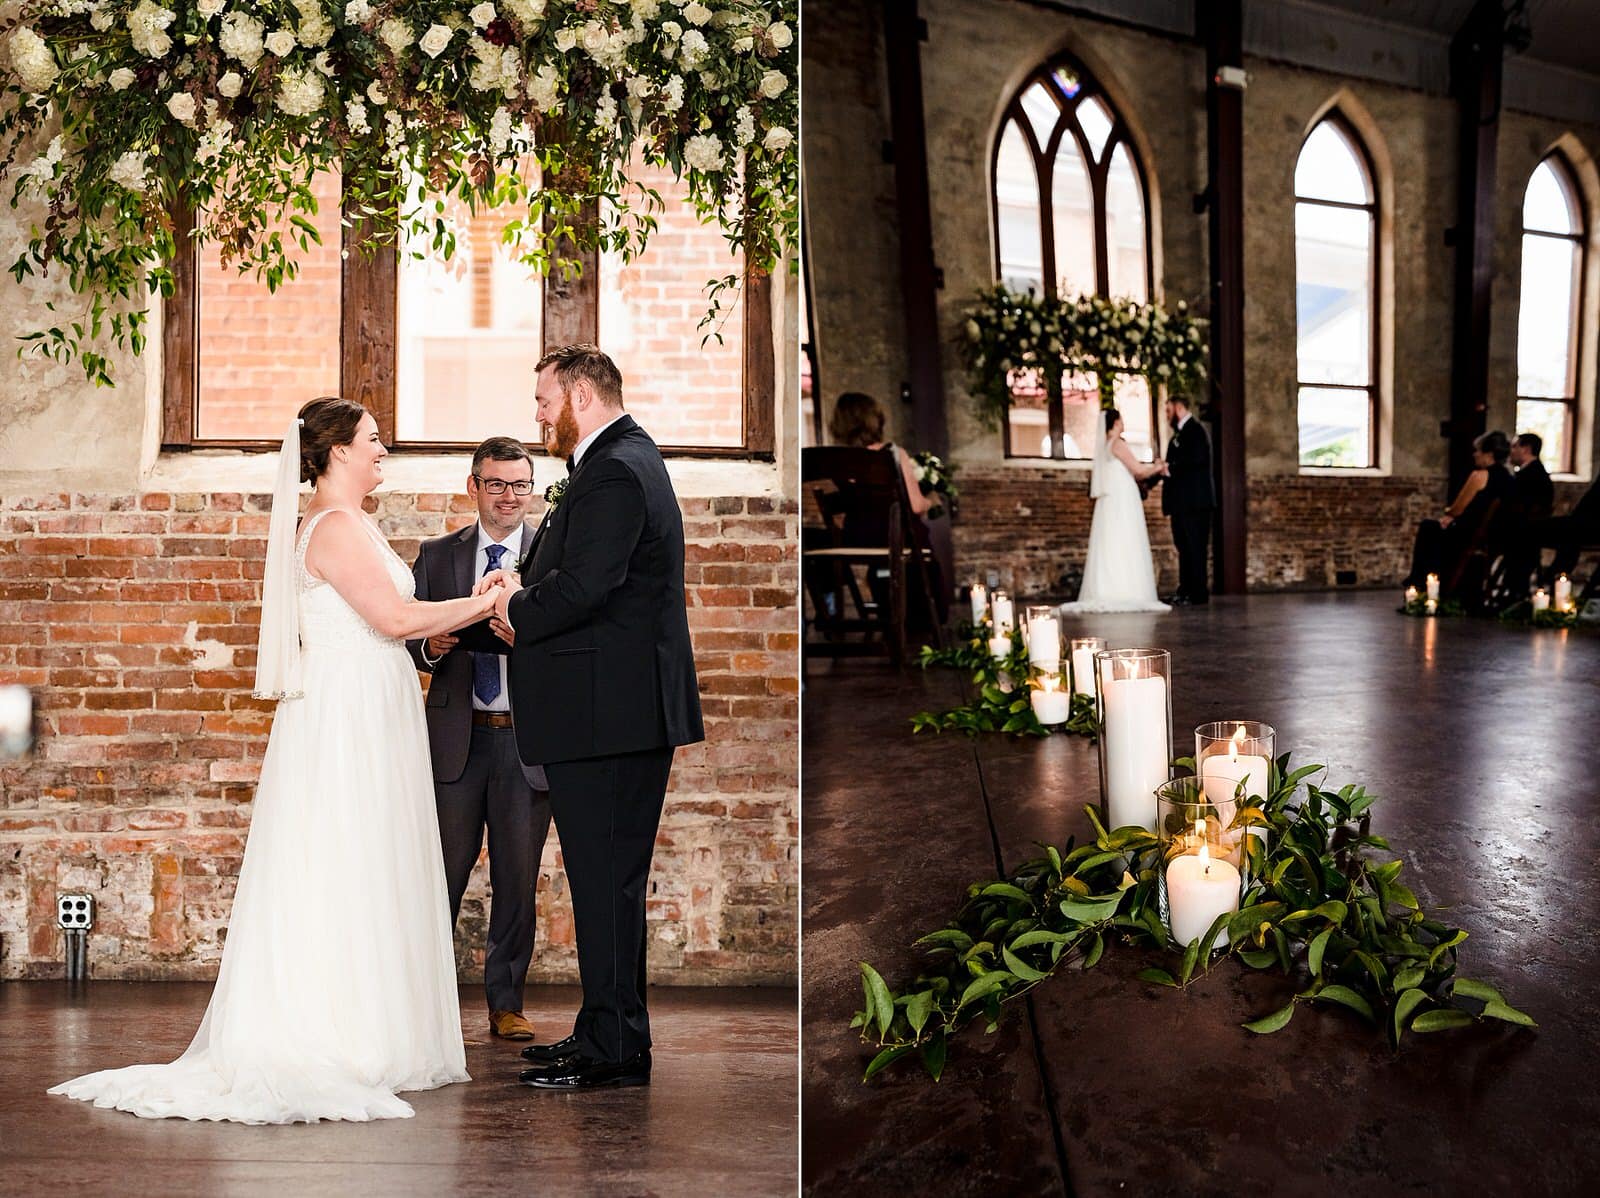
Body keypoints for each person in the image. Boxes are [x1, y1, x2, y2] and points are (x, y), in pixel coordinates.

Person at [49, 398, 508, 1123]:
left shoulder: (352, 523)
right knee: (342, 861)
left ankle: (375, 1028)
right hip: (346, 718)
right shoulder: (332, 527)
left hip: (371, 705)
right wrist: (486, 604)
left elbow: (399, 620)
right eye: (373, 441)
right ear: (335, 455)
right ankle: (338, 1036)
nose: (384, 451)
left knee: (367, 863)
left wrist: (467, 602)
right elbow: (392, 621)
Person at [471, 345, 704, 1091]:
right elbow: (586, 576)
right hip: (616, 715)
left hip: (609, 719)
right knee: (609, 886)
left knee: (606, 884)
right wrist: (525, 587)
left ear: (579, 394)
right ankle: (608, 1033)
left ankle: (612, 1046)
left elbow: (589, 587)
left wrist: (512, 605)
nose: (537, 413)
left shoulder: (613, 467)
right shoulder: (626, 459)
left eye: (543, 399)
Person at [406, 437, 554, 1044]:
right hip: (454, 743)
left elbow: (568, 642)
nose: (509, 497)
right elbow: (406, 634)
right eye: (496, 484)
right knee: (439, 875)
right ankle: (423, 1005)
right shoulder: (438, 556)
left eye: (519, 485)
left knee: (517, 881)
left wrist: (528, 643)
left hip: (525, 742)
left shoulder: (550, 558)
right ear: (473, 487)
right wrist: (432, 647)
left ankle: (506, 1003)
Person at [825, 391, 948, 623]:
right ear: (874, 419)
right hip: (896, 538)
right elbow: (915, 506)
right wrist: (931, 500)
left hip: (856, 538)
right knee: (920, 537)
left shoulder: (836, 459)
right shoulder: (892, 454)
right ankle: (928, 614)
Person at [1060, 408, 1171, 613]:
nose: (1123, 423)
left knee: (1111, 542)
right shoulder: (1117, 443)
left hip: (1111, 502)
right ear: (1116, 423)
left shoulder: (1104, 447)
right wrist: (1158, 467)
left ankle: (1108, 587)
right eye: (1121, 419)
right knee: (1126, 540)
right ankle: (1127, 590)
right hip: (1122, 500)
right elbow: (1138, 471)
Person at [1404, 430, 1514, 592]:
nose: (1474, 454)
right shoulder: (1509, 478)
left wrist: (1448, 514)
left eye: (1478, 450)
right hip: (1493, 534)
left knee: (1429, 527)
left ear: (1489, 454)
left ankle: (1420, 581)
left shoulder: (1480, 476)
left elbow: (1457, 508)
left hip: (1470, 534)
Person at [1160, 395, 1215, 606]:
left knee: (1196, 547)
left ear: (1179, 408)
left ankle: (1198, 594)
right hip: (1181, 503)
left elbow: (1196, 459)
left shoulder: (1196, 431)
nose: (1167, 415)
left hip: (1196, 502)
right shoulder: (1179, 434)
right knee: (1184, 546)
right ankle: (1185, 591)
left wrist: (1169, 467)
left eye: (1168, 410)